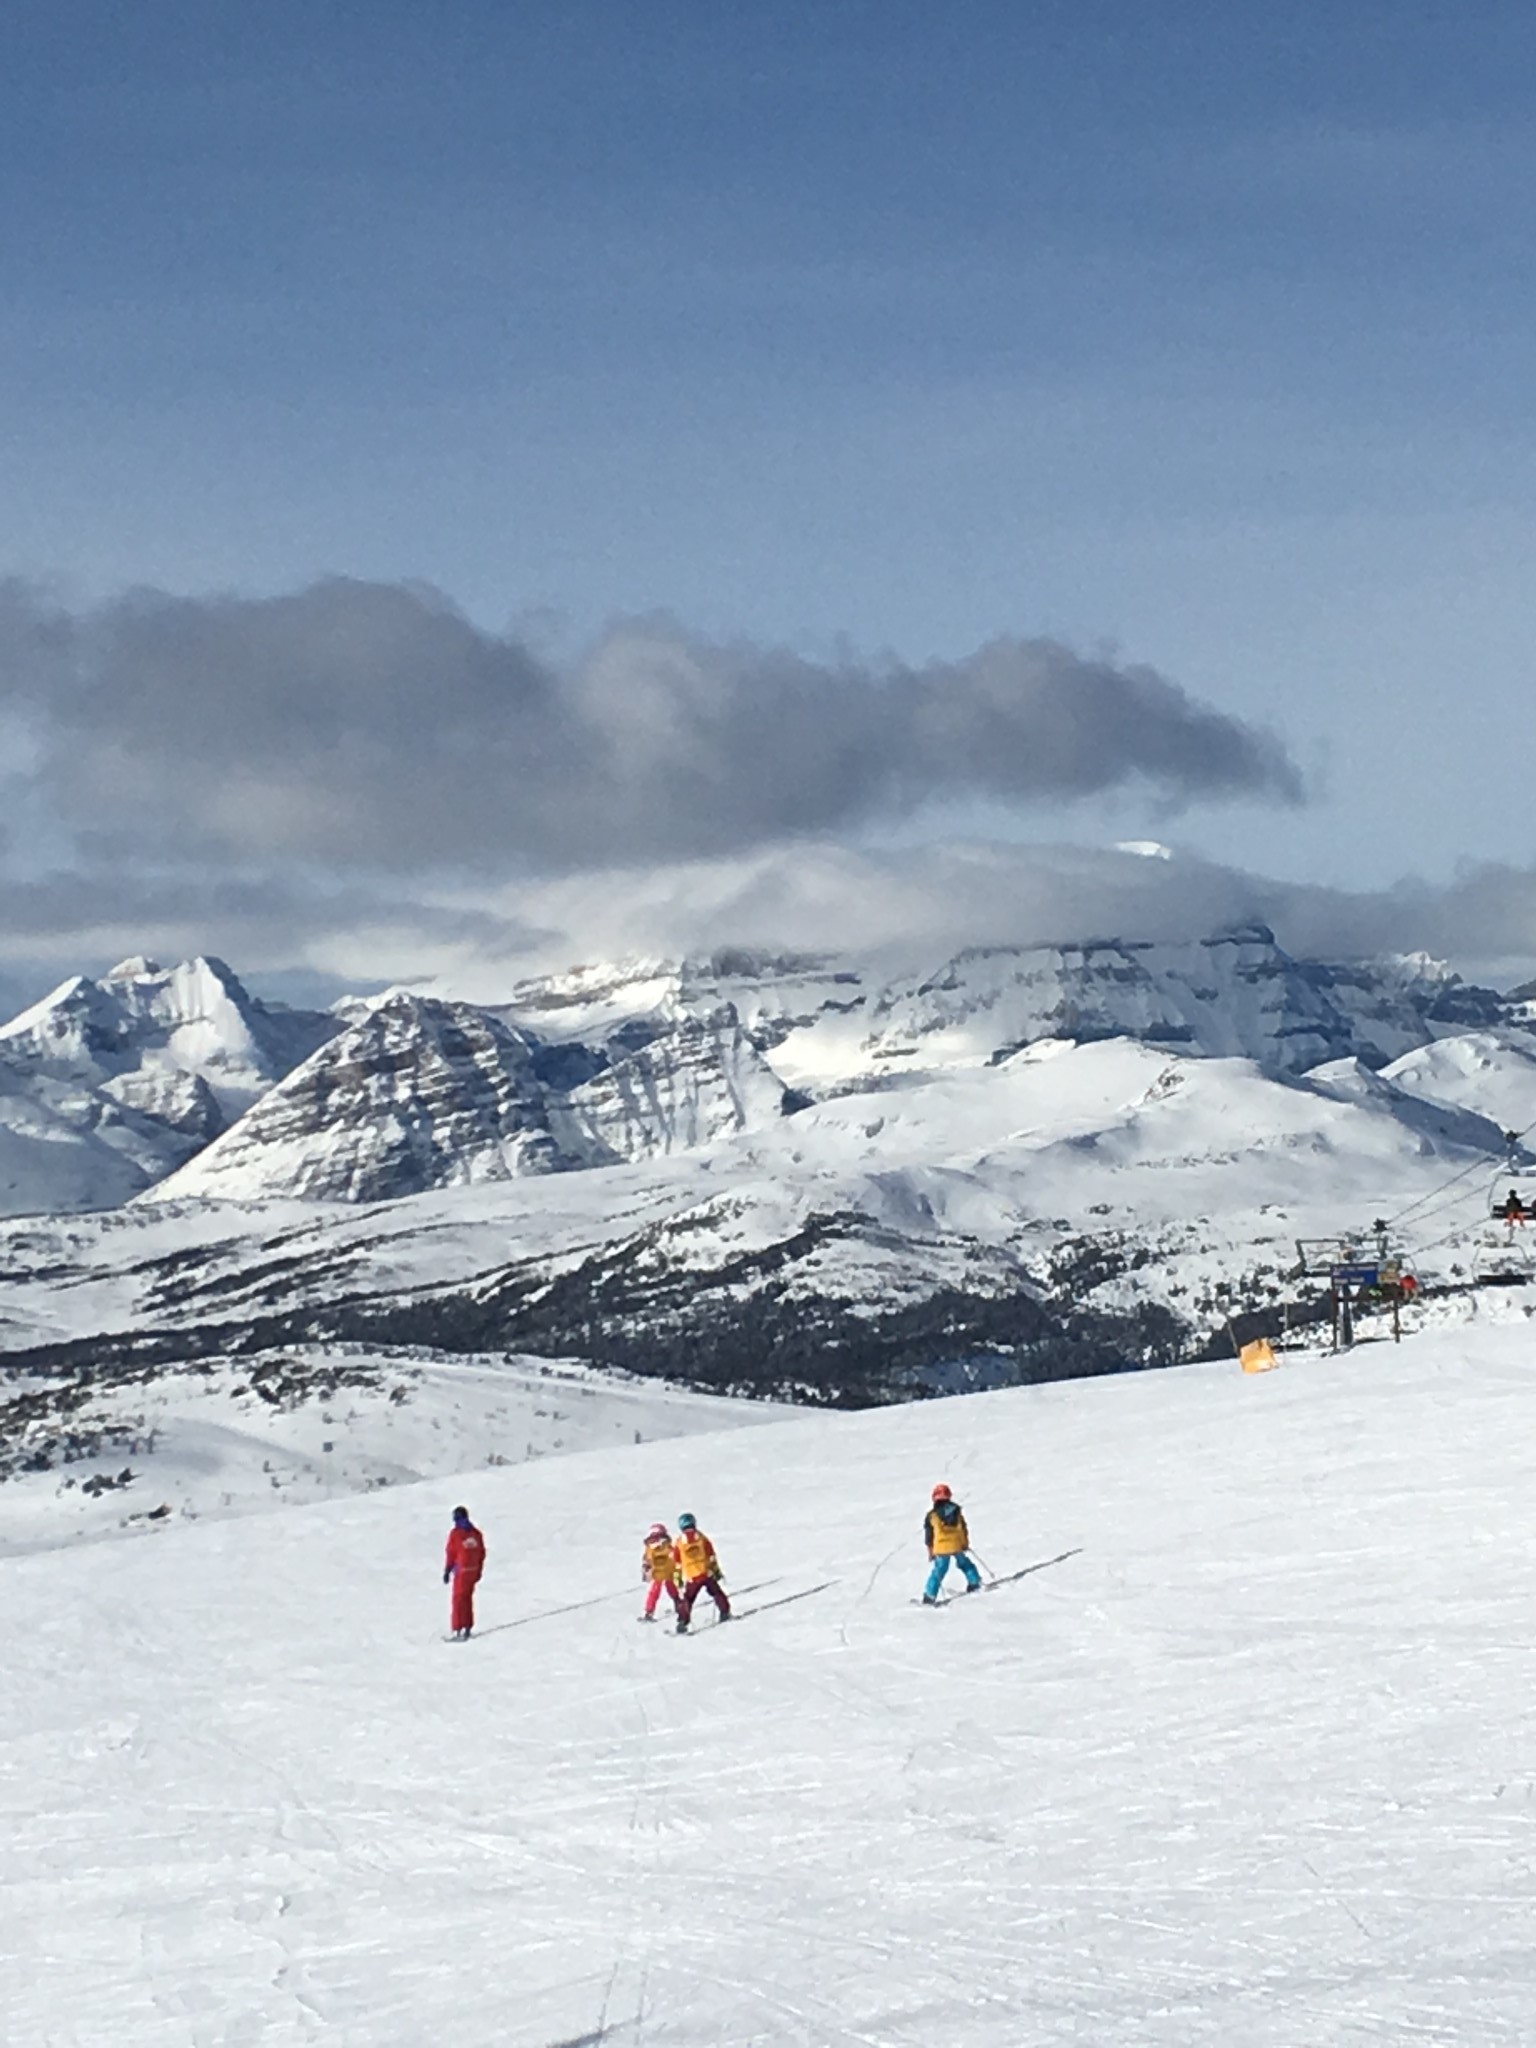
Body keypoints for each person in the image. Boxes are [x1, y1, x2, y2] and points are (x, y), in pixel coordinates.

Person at [922, 1484, 982, 1605]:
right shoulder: (957, 1511)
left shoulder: (932, 1515)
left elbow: (929, 1536)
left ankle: (930, 1595)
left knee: (939, 1570)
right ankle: (974, 1582)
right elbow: (963, 1528)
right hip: (957, 1544)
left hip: (941, 1547)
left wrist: (931, 1550)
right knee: (964, 1563)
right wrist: (965, 1543)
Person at [673, 1512, 730, 1632]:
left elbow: (677, 1563)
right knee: (716, 1593)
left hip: (692, 1577)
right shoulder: (702, 1537)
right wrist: (716, 1571)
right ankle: (725, 1612)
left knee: (688, 1599)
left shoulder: (679, 1542)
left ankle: (683, 1621)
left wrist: (678, 1578)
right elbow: (711, 1555)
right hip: (706, 1572)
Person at [443, 1505, 486, 1640]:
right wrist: (479, 1570)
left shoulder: (456, 1534)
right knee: (467, 1599)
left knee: (458, 1600)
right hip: (473, 1571)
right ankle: (467, 1626)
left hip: (462, 1571)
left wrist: (447, 1569)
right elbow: (482, 1553)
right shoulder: (476, 1534)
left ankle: (458, 1629)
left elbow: (451, 1552)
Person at [640, 1522, 682, 1623]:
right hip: (668, 1571)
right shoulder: (666, 1544)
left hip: (657, 1573)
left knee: (654, 1592)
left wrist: (646, 1570)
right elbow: (673, 1555)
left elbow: (647, 1560)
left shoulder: (650, 1547)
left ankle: (649, 1611)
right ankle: (678, 1604)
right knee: (672, 1589)